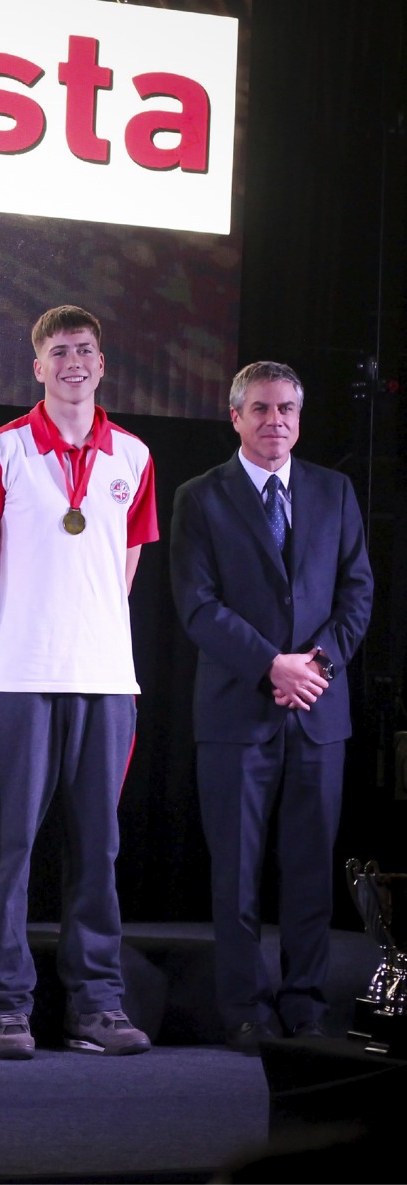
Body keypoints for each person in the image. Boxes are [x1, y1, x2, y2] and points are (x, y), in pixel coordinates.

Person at [0, 305, 158, 1059]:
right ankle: (4, 1006)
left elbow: (124, 566)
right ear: (37, 366)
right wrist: (1, 649)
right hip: (17, 679)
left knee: (98, 849)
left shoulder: (133, 456)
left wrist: (88, 630)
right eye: (58, 351)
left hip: (106, 679)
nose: (73, 361)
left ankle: (96, 1004)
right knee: (9, 847)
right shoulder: (2, 449)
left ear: (101, 365)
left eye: (84, 350)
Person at [170, 361, 372, 1052]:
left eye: (286, 408)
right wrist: (270, 664)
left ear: (299, 418)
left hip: (319, 710)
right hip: (236, 713)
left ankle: (306, 1004)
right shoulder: (200, 497)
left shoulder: (335, 491)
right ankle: (245, 1010)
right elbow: (197, 605)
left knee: (311, 871)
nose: (274, 421)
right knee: (236, 874)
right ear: (236, 417)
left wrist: (315, 667)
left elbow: (357, 592)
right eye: (260, 408)